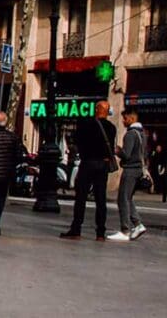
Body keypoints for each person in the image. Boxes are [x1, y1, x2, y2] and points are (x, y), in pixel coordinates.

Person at [60, 100, 117, 241]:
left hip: (88, 163)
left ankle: (76, 228)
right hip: (103, 165)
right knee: (100, 198)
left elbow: (77, 142)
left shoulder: (86, 124)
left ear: (97, 109)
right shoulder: (111, 127)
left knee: (81, 197)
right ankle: (100, 232)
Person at [109, 107, 147, 242]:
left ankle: (125, 229)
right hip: (138, 170)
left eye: (125, 119)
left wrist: (118, 151)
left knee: (122, 199)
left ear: (131, 118)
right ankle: (137, 224)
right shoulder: (142, 134)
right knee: (128, 198)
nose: (123, 121)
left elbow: (127, 154)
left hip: (130, 170)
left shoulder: (130, 134)